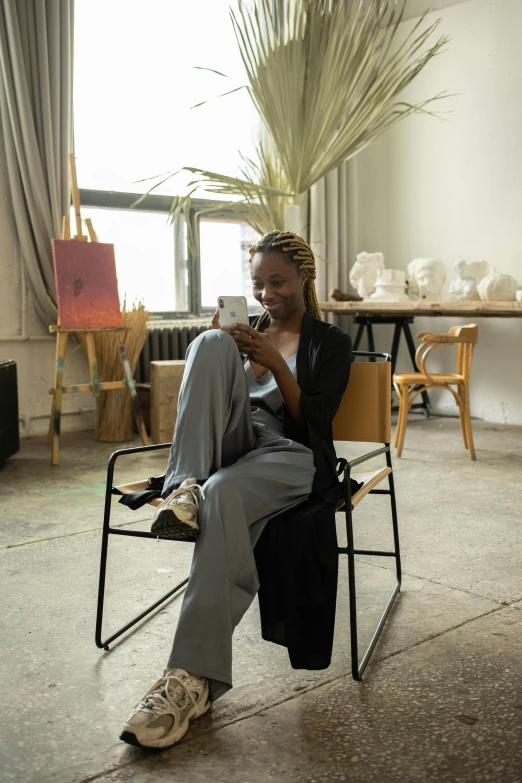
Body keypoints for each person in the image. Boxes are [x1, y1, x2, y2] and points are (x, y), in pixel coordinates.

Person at [120, 231, 354, 750]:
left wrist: (274, 362)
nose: (267, 293)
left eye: (278, 281)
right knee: (207, 342)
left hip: (290, 457)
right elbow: (224, 413)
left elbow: (313, 421)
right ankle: (185, 487)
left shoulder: (330, 343)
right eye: (258, 283)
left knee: (222, 495)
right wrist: (222, 354)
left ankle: (187, 683)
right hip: (236, 444)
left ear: (303, 278)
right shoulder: (242, 333)